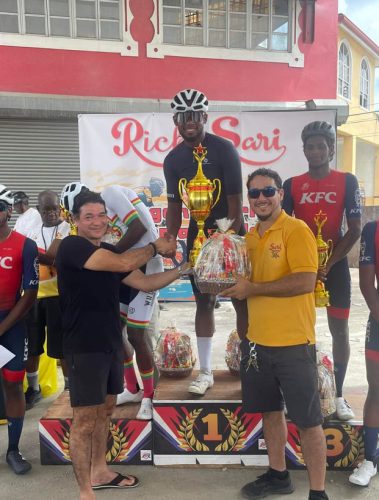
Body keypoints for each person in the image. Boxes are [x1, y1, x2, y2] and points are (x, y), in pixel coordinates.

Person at [55, 190, 189, 499]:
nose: (97, 221)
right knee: (85, 420)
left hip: (110, 343)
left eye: (102, 215)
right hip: (84, 347)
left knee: (106, 410)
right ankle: (85, 491)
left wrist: (185, 267)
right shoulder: (72, 248)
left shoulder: (109, 251)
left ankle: (100, 471)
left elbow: (145, 282)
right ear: (75, 221)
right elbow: (124, 262)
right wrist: (155, 247)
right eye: (88, 216)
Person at [221, 168, 328, 500]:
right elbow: (239, 285)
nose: (261, 198)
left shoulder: (297, 231)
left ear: (281, 194)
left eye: (268, 191)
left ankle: (318, 492)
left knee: (309, 422)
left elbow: (304, 282)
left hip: (294, 344)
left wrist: (252, 287)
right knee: (270, 412)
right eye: (254, 193)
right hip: (256, 344)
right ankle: (279, 475)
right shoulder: (249, 239)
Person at [163, 88, 248, 395]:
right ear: (176, 120)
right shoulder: (172, 160)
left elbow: (236, 204)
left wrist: (225, 241)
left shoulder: (224, 149)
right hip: (197, 238)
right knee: (204, 303)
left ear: (205, 118)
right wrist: (170, 238)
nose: (190, 122)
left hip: (230, 235)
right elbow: (174, 208)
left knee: (241, 301)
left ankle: (251, 370)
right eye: (184, 116)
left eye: (196, 116)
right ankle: (206, 373)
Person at [282, 120, 362, 421]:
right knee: (298, 333)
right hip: (301, 271)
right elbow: (284, 228)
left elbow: (354, 230)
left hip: (335, 269)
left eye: (322, 146)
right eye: (310, 146)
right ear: (304, 150)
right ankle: (301, 393)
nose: (316, 151)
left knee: (339, 331)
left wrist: (327, 263)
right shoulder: (292, 184)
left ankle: (339, 394)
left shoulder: (347, 181)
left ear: (331, 149)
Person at [101, 184, 163, 420]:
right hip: (125, 267)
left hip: (146, 266)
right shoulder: (100, 211)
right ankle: (133, 389)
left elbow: (139, 227)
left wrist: (111, 255)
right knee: (116, 331)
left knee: (136, 336)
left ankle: (149, 395)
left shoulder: (109, 193)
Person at [0, 185, 39, 474]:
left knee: (13, 383)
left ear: (9, 210)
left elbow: (30, 293)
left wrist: (3, 326)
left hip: (11, 322)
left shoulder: (24, 244)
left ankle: (13, 450)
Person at [23, 190, 70, 408]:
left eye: (54, 208)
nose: (51, 213)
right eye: (46, 210)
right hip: (32, 296)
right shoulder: (32, 230)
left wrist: (24, 252)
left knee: (61, 348)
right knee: (32, 347)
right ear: (39, 210)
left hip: (58, 297)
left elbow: (51, 257)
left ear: (60, 207)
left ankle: (69, 388)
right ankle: (33, 389)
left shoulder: (67, 228)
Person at [348, 220, 379, 486]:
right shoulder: (373, 229)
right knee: (377, 389)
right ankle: (370, 459)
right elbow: (367, 284)